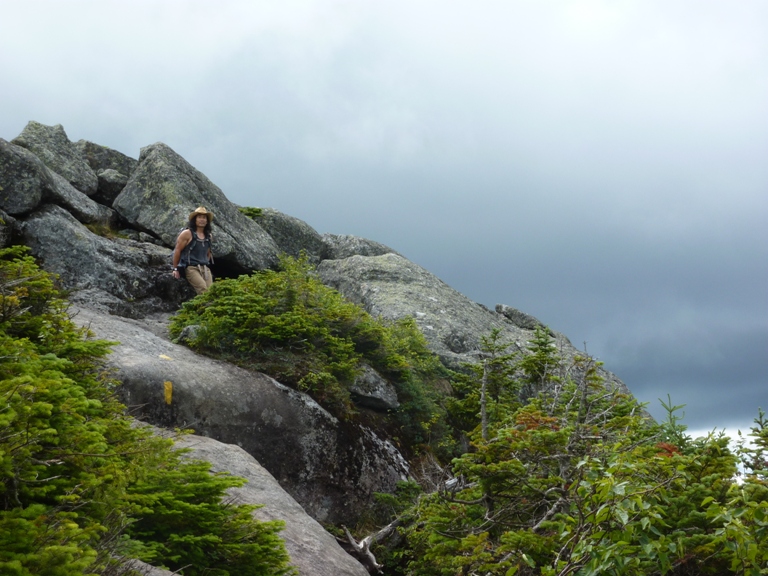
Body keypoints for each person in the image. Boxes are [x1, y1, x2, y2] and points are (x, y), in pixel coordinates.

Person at [171, 206, 214, 294]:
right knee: (203, 290)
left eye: (204, 217)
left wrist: (205, 262)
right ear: (194, 219)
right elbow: (178, 250)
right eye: (199, 217)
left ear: (207, 221)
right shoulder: (187, 234)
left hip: (205, 268)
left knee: (212, 292)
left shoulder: (208, 236)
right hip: (191, 268)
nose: (202, 220)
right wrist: (175, 269)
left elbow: (208, 253)